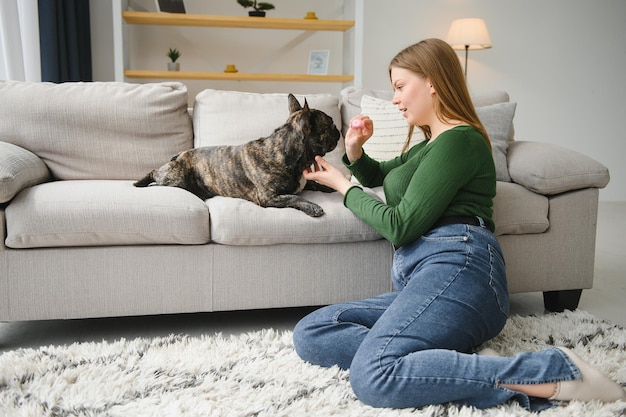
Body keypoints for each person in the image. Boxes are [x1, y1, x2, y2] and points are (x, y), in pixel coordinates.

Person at [293, 38, 625, 411]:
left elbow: (400, 225)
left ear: (432, 81)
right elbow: (381, 174)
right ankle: (451, 360)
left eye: (401, 87)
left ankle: (553, 370)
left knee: (374, 375)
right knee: (313, 332)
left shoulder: (460, 141)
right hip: (424, 281)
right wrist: (354, 151)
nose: (396, 100)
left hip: (460, 268)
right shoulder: (428, 147)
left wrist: (343, 187)